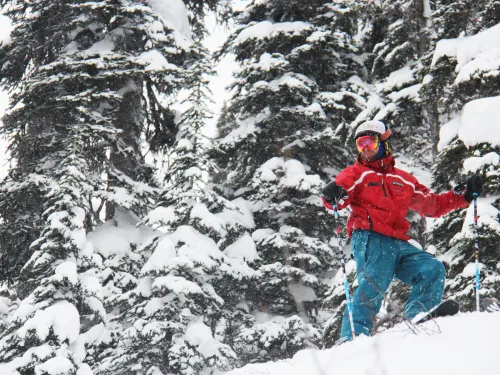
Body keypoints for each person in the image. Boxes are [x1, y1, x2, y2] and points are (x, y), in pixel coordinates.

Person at [321, 120, 483, 341]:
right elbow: (338, 199)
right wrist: (332, 196)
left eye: (370, 142)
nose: (366, 149)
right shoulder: (356, 173)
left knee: (431, 268)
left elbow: (432, 205)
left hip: (399, 242)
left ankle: (419, 316)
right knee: (374, 285)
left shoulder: (403, 179)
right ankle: (353, 338)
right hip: (370, 237)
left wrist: (462, 196)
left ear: (384, 143)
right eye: (361, 145)